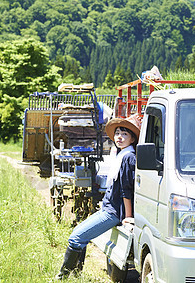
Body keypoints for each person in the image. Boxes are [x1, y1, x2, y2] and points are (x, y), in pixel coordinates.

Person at [56, 113, 141, 280]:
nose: (120, 137)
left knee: (76, 238)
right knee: (77, 235)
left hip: (113, 213)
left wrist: (128, 217)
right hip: (108, 208)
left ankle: (63, 277)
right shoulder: (121, 154)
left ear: (132, 139)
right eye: (117, 133)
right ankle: (75, 276)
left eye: (125, 134)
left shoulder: (128, 157)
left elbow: (127, 190)